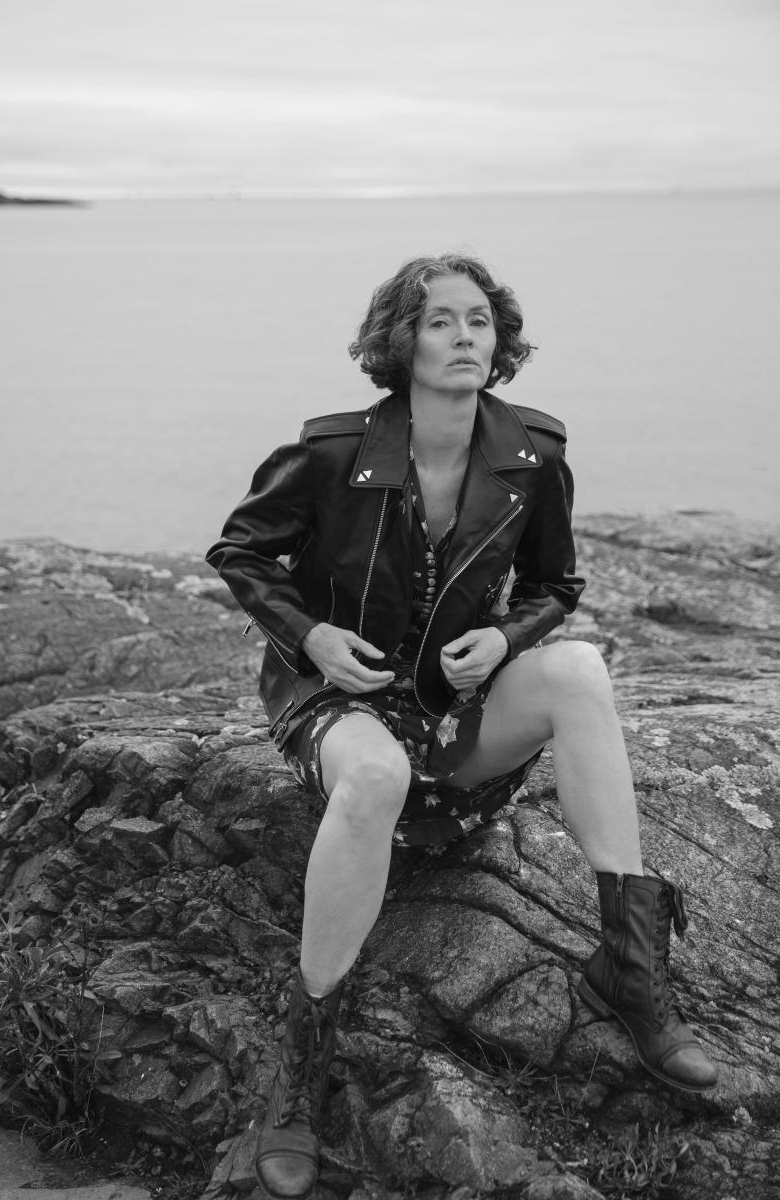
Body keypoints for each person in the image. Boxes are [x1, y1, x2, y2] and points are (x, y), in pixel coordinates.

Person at [206, 253, 718, 1200]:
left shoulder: (532, 455)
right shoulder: (331, 454)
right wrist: (311, 636)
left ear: (499, 340)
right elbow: (241, 551)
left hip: (454, 710)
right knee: (376, 779)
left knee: (580, 670)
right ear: (402, 342)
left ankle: (630, 969)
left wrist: (506, 637)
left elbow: (556, 584)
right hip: (343, 700)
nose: (464, 338)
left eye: (479, 321)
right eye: (441, 321)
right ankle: (301, 1066)